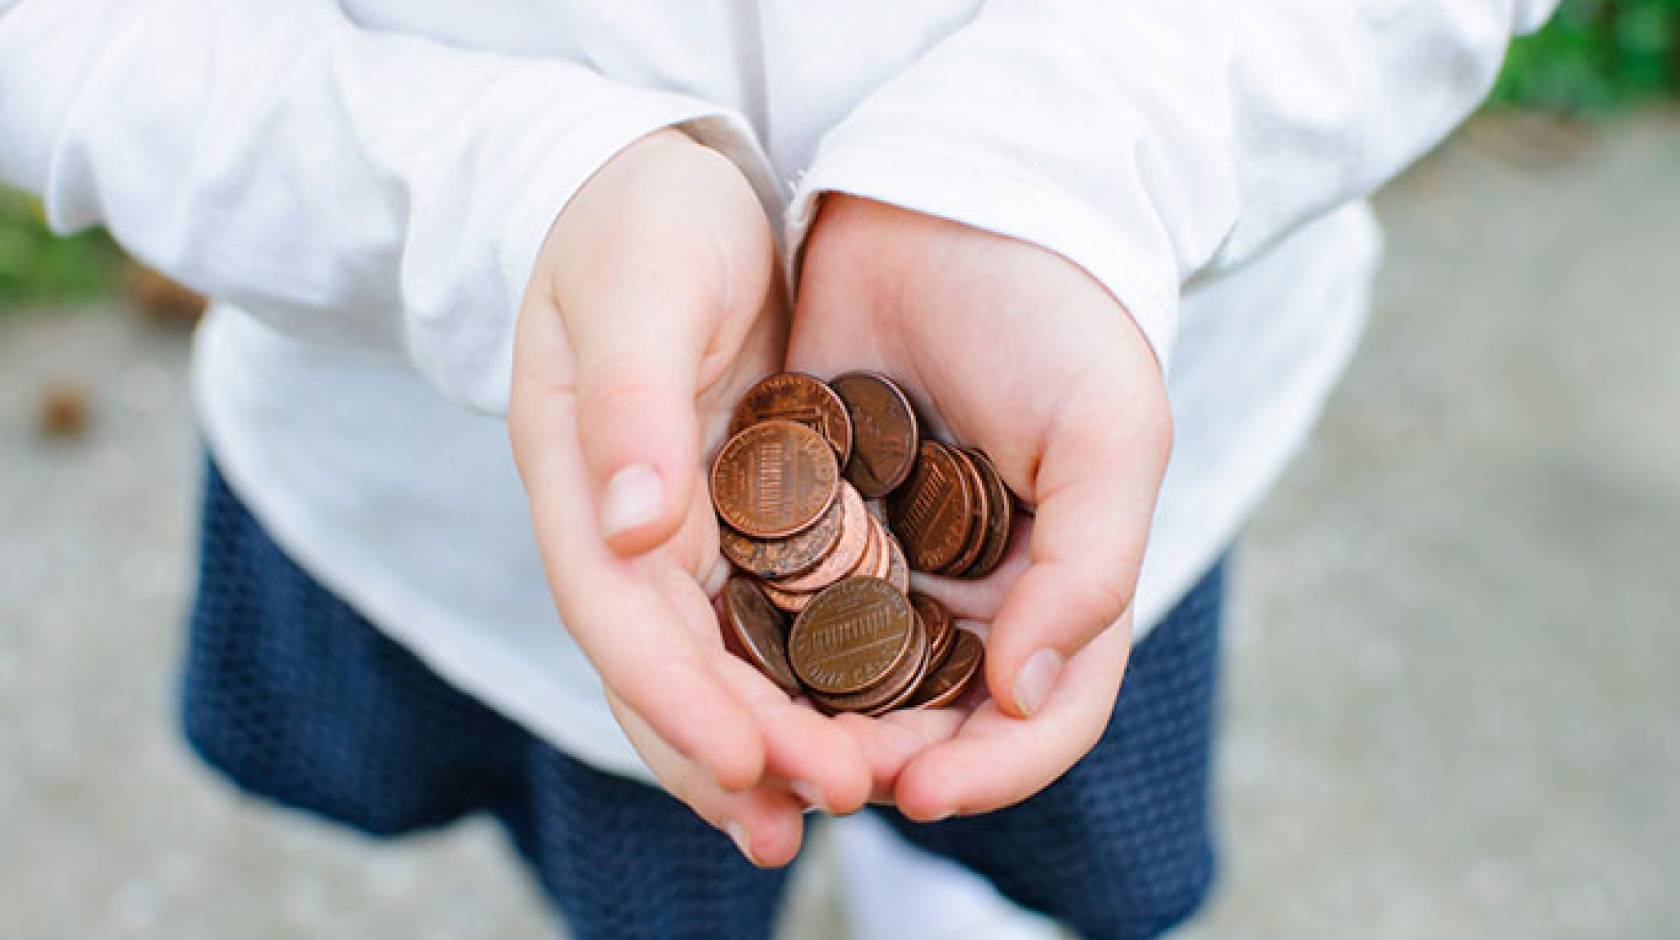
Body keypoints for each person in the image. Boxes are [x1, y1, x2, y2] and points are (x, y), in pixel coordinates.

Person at [0, 2, 1559, 937]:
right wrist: (498, 194)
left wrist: (1079, 163)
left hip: (1093, 435)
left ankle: (949, 897)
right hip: (472, 505)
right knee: (643, 863)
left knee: (1008, 778)